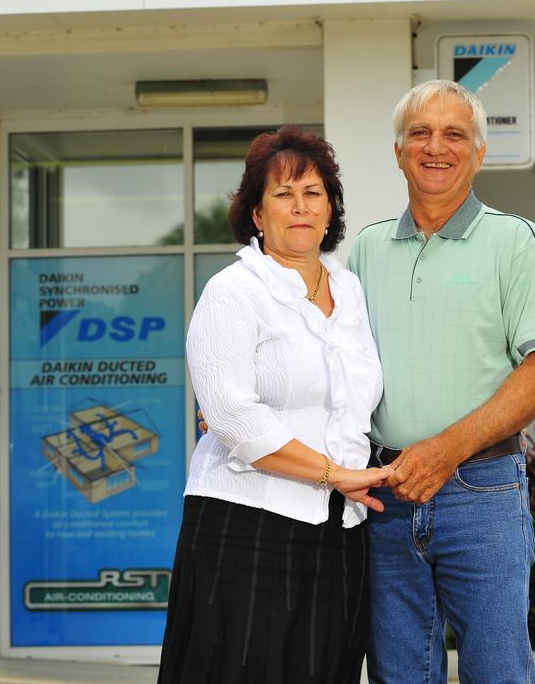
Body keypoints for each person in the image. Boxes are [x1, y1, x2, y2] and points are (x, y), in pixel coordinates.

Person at [348, 79, 535, 684]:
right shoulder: (366, 249)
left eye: (454, 134)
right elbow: (330, 363)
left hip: (483, 491)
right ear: (398, 151)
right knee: (398, 674)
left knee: (497, 671)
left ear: (478, 153)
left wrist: (446, 451)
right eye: (419, 132)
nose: (435, 146)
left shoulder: (515, 241)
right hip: (386, 493)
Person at [157, 125, 388, 684]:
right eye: (282, 195)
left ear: (331, 209)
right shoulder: (234, 290)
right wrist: (336, 473)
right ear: (257, 216)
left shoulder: (352, 291)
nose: (300, 207)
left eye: (313, 193)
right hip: (245, 525)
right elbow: (234, 416)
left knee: (327, 669)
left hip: (342, 529)